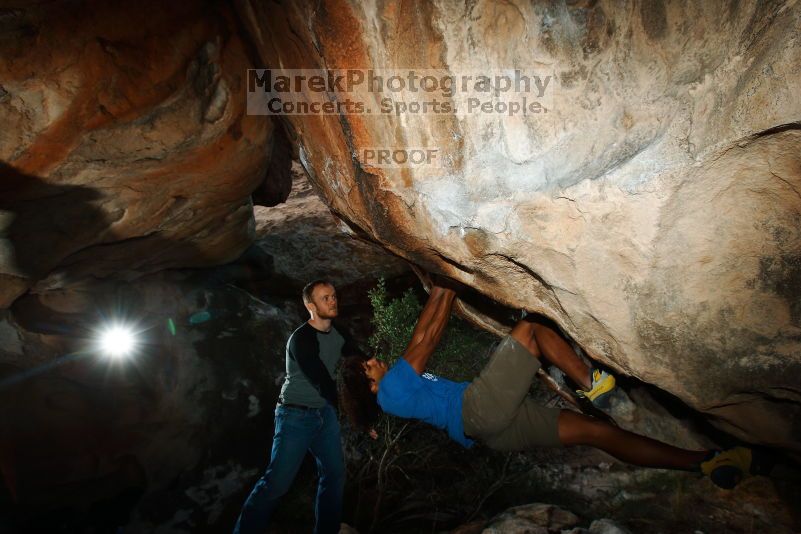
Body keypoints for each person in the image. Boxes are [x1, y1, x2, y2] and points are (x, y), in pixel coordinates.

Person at [340, 281, 760, 490]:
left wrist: (441, 286)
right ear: (367, 384)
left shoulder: (396, 391)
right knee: (532, 330)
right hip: (478, 410)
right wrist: (446, 284)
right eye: (367, 366)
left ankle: (704, 462)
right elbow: (426, 340)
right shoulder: (391, 390)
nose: (374, 360)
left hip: (490, 430)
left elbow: (421, 336)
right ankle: (592, 384)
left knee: (599, 434)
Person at [235, 280, 355, 534]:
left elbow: (361, 359)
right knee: (277, 483)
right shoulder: (301, 339)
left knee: (334, 475)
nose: (333, 301)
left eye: (334, 296)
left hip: (325, 413)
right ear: (311, 306)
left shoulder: (340, 332)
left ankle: (327, 530)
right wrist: (356, 416)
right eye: (325, 298)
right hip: (295, 415)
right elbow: (321, 379)